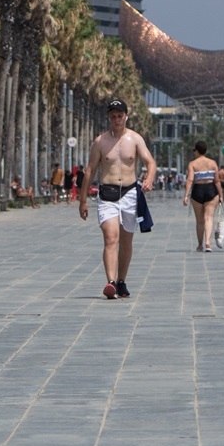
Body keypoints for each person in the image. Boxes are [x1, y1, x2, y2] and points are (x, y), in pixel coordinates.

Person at [78, 98, 158, 299]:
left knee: (126, 240)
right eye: (113, 116)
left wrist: (149, 179)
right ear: (109, 117)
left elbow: (150, 162)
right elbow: (90, 170)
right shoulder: (100, 142)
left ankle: (121, 280)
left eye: (120, 116)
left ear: (126, 116)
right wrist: (83, 200)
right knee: (110, 237)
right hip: (107, 193)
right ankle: (111, 282)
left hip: (130, 193)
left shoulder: (135, 139)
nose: (116, 119)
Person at [182, 141, 221, 251]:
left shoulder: (192, 164)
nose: (194, 153)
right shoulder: (213, 163)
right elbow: (217, 181)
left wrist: (186, 195)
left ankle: (200, 245)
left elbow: (190, 180)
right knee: (209, 218)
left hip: (197, 191)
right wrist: (221, 195)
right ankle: (208, 243)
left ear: (198, 151)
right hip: (211, 190)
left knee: (199, 221)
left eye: (194, 150)